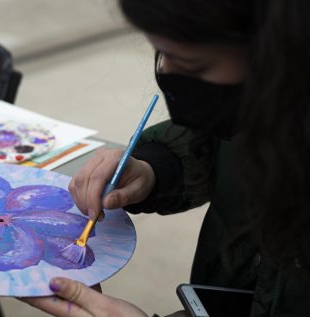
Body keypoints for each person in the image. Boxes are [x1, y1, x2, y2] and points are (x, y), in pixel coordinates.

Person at [22, 0, 310, 316]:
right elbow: (224, 143)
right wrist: (156, 168)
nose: (168, 76)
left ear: (283, 52)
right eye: (161, 56)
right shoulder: (272, 108)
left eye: (192, 66)